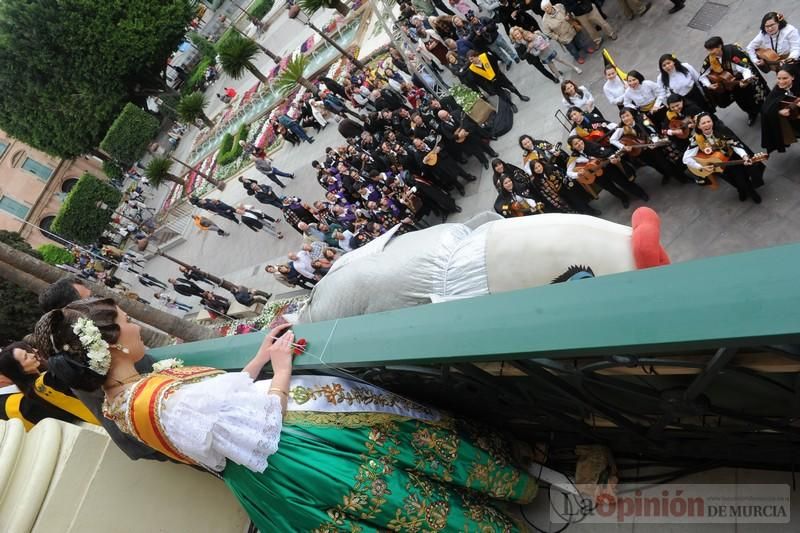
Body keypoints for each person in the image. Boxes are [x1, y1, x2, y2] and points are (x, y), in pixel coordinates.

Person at [37, 300, 540, 531]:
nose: (134, 323)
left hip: (262, 484)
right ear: (112, 346)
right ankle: (509, 492)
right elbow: (257, 424)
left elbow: (217, 405)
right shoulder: (159, 399)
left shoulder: (121, 401)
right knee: (401, 482)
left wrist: (255, 358)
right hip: (292, 459)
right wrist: (278, 371)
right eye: (126, 321)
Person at [0, 341, 100, 428]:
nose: (32, 354)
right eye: (26, 357)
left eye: (27, 352)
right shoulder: (45, 382)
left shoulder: (31, 392)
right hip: (96, 415)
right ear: (19, 370)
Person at [682, 112, 763, 203]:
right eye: (703, 123)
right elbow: (686, 158)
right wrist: (700, 167)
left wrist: (744, 156)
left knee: (742, 178)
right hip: (717, 164)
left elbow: (735, 144)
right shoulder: (696, 139)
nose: (707, 124)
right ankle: (740, 190)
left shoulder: (722, 131)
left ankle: (752, 193)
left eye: (709, 121)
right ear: (699, 126)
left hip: (731, 158)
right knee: (731, 180)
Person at [700, 36, 769, 126]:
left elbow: (746, 68)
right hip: (732, 85)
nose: (710, 53)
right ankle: (751, 113)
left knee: (758, 98)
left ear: (720, 46)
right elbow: (702, 76)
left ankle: (767, 113)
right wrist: (709, 85)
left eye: (712, 49)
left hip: (746, 80)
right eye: (708, 50)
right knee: (742, 101)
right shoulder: (711, 58)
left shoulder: (733, 52)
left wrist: (746, 80)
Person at [567, 135, 649, 208]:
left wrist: (612, 157)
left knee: (623, 182)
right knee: (611, 188)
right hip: (596, 176)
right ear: (573, 147)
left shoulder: (592, 145)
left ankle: (640, 193)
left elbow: (607, 152)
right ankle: (623, 198)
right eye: (576, 144)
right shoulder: (574, 157)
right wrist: (578, 174)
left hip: (608, 167)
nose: (579, 144)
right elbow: (569, 173)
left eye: (579, 141)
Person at [610, 107, 686, 185]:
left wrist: (653, 140)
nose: (625, 119)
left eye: (627, 115)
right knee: (655, 165)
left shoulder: (641, 119)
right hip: (641, 152)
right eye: (623, 117)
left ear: (632, 115)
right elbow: (612, 140)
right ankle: (666, 175)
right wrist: (623, 147)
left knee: (665, 164)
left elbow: (652, 129)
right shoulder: (622, 128)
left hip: (652, 147)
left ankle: (683, 178)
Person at [528, 157, 599, 215]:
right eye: (536, 168)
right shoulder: (537, 180)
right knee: (572, 206)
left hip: (565, 187)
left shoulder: (550, 168)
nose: (538, 169)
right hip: (557, 195)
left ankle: (591, 211)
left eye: (539, 166)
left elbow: (562, 175)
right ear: (533, 170)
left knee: (578, 201)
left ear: (541, 164)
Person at [509, 26, 580, 83]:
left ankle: (570, 69)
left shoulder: (526, 35)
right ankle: (554, 78)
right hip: (534, 58)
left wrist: (539, 35)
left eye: (518, 33)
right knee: (546, 68)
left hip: (544, 51)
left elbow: (538, 37)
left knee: (558, 60)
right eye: (515, 35)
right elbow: (522, 57)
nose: (518, 36)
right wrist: (529, 49)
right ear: (513, 37)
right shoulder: (517, 45)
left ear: (520, 32)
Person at [540, 0, 594, 65]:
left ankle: (586, 48)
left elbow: (567, 11)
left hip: (571, 28)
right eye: (544, 9)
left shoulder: (559, 6)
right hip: (563, 36)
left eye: (547, 7)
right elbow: (548, 33)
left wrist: (569, 16)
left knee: (580, 40)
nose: (546, 9)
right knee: (572, 49)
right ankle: (577, 57)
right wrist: (558, 38)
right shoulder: (545, 20)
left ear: (550, 5)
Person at [761, 68, 800, 153]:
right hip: (793, 123)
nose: (781, 82)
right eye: (779, 78)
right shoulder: (775, 92)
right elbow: (766, 110)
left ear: (793, 77)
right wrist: (778, 112)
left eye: (785, 78)